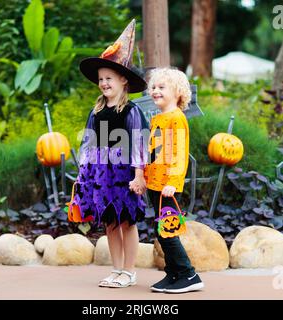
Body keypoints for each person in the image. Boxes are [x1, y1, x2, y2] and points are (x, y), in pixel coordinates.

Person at [75, 19, 148, 288]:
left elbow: (140, 144)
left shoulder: (131, 112)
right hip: (102, 174)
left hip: (126, 173)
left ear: (123, 80)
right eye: (101, 79)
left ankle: (129, 270)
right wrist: (83, 174)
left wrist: (140, 175)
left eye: (109, 78)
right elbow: (88, 145)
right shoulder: (96, 112)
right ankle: (116, 269)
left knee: (126, 222)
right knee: (110, 222)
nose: (104, 83)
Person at [144, 68, 204, 293]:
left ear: (178, 92)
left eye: (162, 87)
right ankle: (173, 274)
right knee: (161, 230)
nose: (155, 91)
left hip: (168, 185)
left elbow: (179, 154)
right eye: (154, 87)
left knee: (168, 230)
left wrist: (173, 180)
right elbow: (153, 151)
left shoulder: (177, 119)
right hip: (155, 183)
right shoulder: (158, 118)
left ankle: (189, 275)